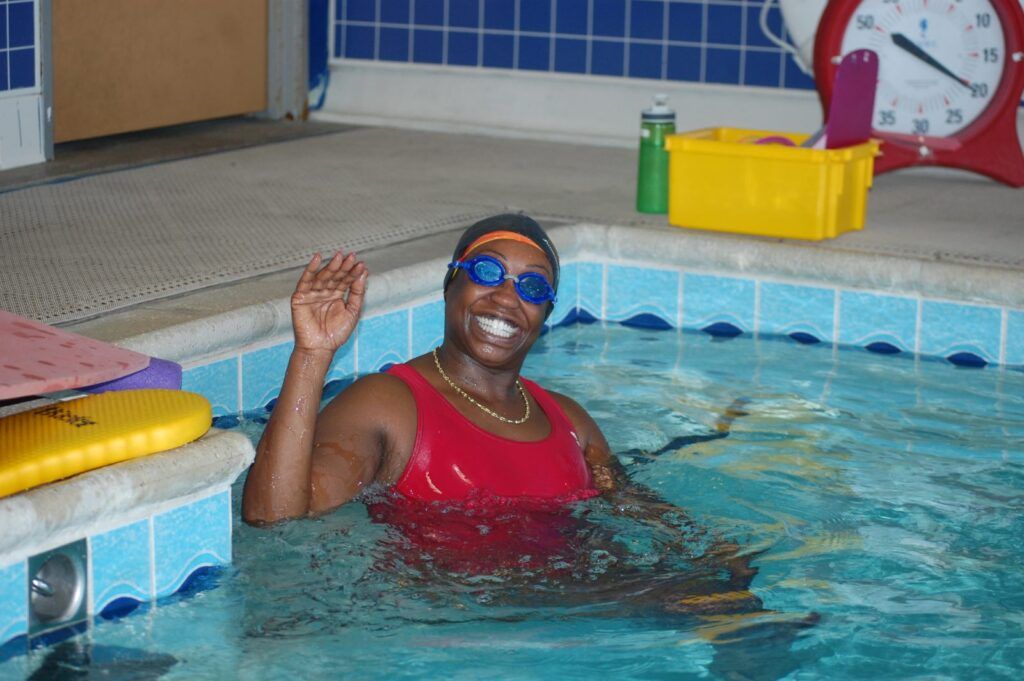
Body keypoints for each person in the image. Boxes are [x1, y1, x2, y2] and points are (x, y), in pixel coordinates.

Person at [242, 213, 620, 525]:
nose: (507, 297)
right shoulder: (389, 405)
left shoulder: (572, 422)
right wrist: (312, 355)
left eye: (533, 288)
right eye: (487, 271)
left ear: (545, 317)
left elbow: (649, 523)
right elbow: (275, 518)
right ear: (450, 286)